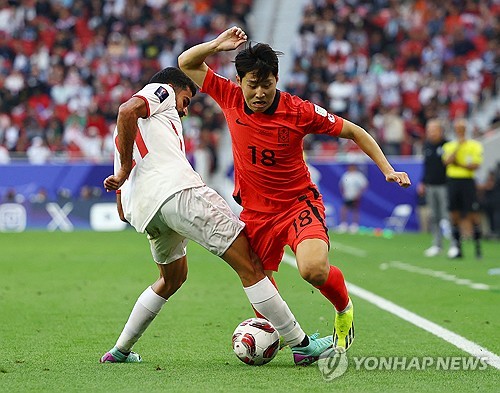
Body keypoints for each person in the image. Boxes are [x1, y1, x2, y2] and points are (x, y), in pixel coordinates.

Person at [178, 26, 411, 352]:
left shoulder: (299, 111)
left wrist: (387, 169)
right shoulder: (229, 97)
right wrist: (217, 45)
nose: (259, 93)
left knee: (313, 270)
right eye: (252, 85)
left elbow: (355, 132)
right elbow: (187, 62)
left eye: (267, 85)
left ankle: (344, 310)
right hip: (256, 213)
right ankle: (294, 343)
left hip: (298, 205)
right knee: (261, 294)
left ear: (277, 80)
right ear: (240, 82)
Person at [100, 67, 333, 366]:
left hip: (146, 212)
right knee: (251, 263)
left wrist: (123, 184)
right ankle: (301, 344)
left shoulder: (121, 136)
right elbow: (127, 108)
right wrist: (122, 173)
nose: (184, 110)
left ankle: (119, 350)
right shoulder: (162, 92)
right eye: (187, 99)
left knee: (171, 279)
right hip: (178, 192)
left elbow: (123, 191)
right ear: (175, 86)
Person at [442, 118, 484, 259]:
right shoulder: (449, 145)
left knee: (473, 214)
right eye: (458, 128)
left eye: (462, 128)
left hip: (467, 181)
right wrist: (458, 147)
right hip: (453, 181)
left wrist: (458, 164)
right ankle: (458, 249)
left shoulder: (475, 145)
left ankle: (478, 249)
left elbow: (476, 165)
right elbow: (447, 162)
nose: (460, 131)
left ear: (466, 129)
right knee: (454, 214)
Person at [417, 119, 453, 257]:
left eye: (434, 129)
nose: (431, 132)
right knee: (434, 216)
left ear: (440, 130)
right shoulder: (426, 145)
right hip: (431, 185)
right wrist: (422, 182)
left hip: (445, 185)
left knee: (447, 216)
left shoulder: (447, 145)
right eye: (429, 129)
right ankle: (437, 245)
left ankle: (453, 245)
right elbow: (426, 166)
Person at [337, 163, 368, 233]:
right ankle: (344, 224)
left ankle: (354, 225)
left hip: (355, 195)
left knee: (355, 210)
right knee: (344, 209)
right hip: (347, 195)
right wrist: (343, 193)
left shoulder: (358, 176)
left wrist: (359, 194)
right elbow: (341, 185)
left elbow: (364, 185)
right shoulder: (346, 175)